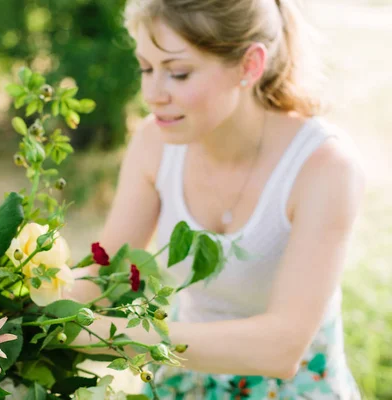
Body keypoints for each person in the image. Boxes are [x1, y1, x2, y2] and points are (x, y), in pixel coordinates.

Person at [70, 0, 366, 398]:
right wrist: (12, 308)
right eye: (145, 68)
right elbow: (103, 272)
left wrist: (104, 333)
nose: (152, 94)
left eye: (178, 73)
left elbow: (282, 347)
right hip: (185, 380)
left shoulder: (324, 166)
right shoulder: (154, 142)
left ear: (249, 66)